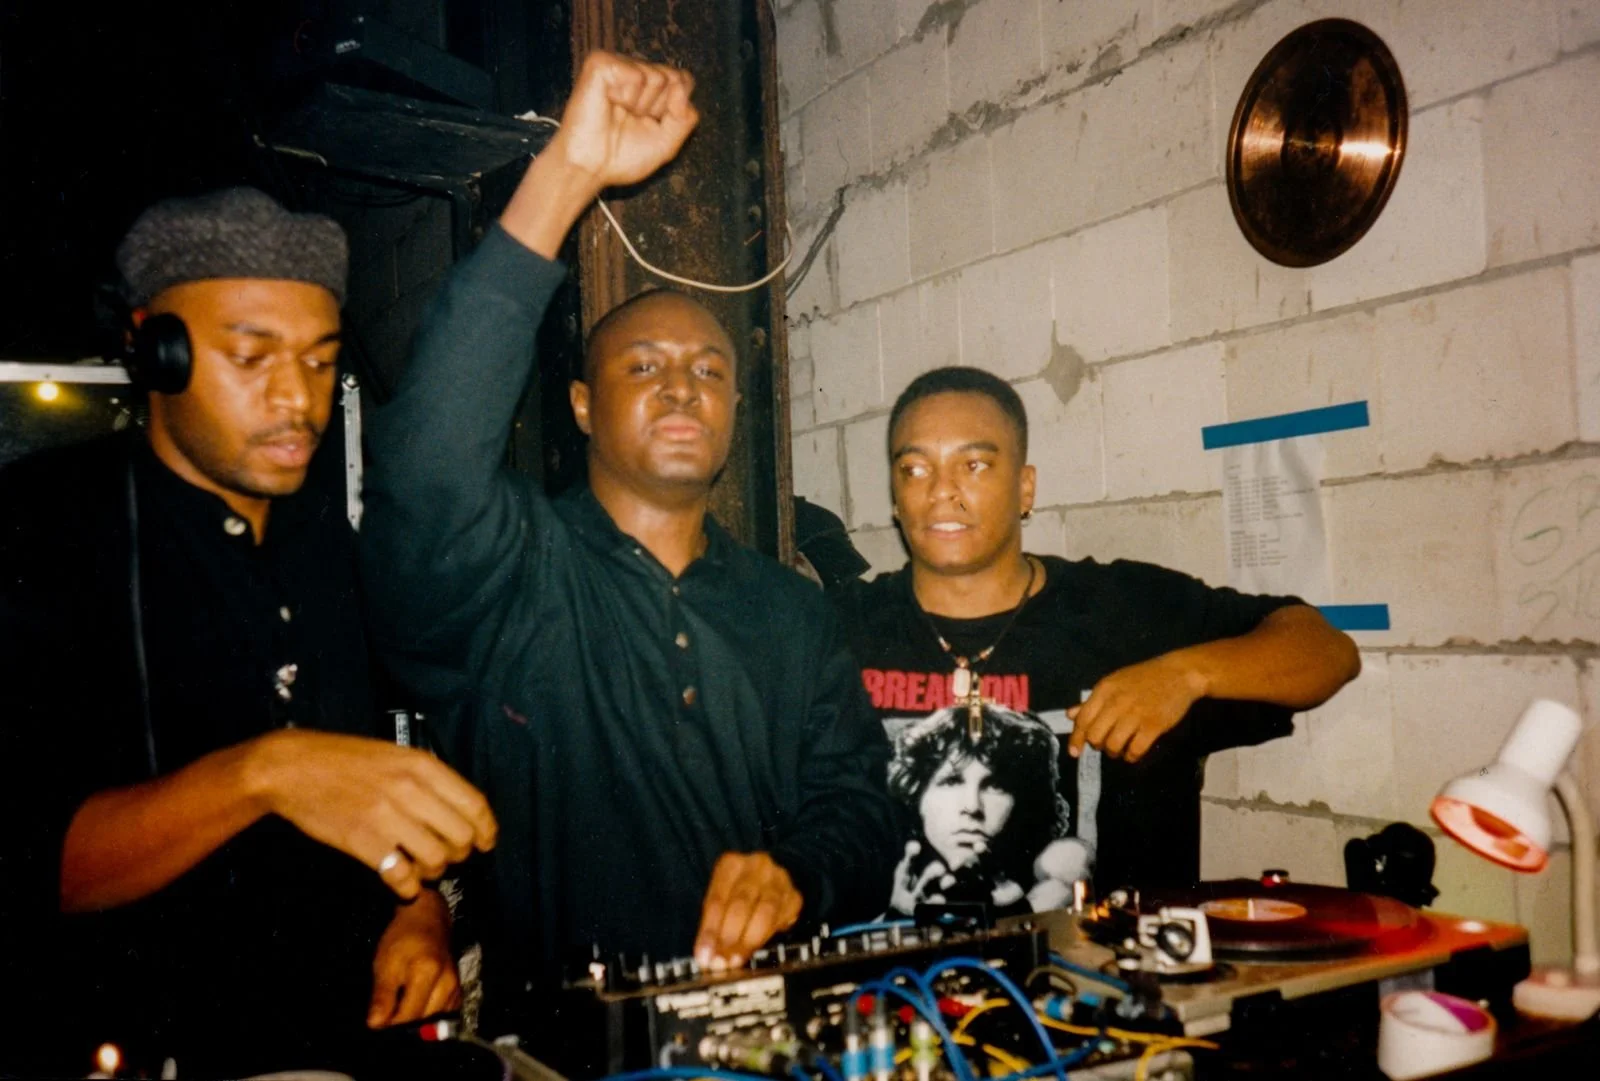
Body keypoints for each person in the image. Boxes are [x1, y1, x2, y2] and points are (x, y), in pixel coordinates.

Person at [358, 50, 897, 1046]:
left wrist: (796, 872)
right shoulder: (515, 570)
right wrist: (566, 173)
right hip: (565, 1052)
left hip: (763, 1046)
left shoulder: (791, 609)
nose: (684, 385)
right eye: (642, 366)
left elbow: (860, 810)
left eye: (708, 369)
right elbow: (428, 459)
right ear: (580, 407)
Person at [0, 188, 497, 1078]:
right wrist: (266, 771)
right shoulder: (40, 529)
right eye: (251, 356)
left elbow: (358, 796)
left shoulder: (323, 546)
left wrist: (416, 911)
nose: (296, 400)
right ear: (155, 347)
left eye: (318, 361)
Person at [831, 366, 1361, 905]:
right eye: (915, 469)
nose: (943, 491)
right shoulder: (834, 628)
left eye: (974, 465)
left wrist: (1185, 675)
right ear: (896, 496)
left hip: (1115, 980)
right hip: (891, 984)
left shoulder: (1122, 609)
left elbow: (1327, 651)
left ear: (1025, 488)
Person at [886, 702, 1088, 917]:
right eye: (952, 782)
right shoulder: (885, 872)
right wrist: (894, 918)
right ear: (917, 794)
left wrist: (1023, 910)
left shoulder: (1056, 868)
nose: (972, 806)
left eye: (995, 786)